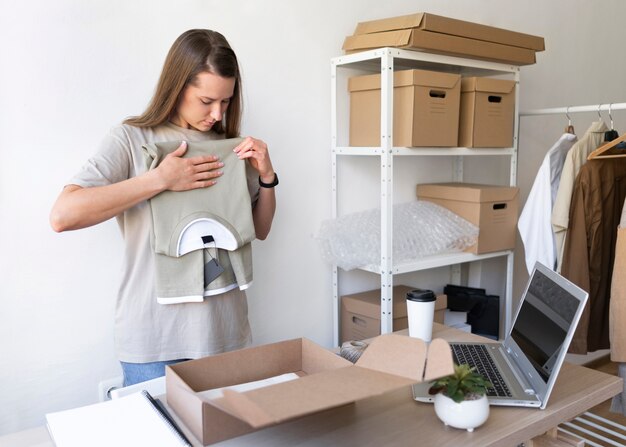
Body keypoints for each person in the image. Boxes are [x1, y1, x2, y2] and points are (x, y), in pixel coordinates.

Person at [49, 29, 277, 386]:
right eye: (206, 101)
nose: (217, 113)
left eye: (226, 101)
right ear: (177, 86)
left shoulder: (230, 148)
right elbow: (64, 215)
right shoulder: (131, 138)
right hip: (154, 343)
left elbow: (259, 230)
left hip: (226, 337)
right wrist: (159, 180)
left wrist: (267, 177)